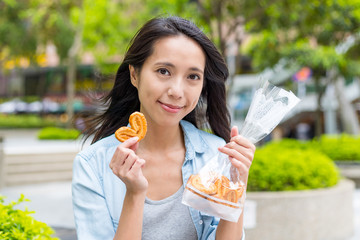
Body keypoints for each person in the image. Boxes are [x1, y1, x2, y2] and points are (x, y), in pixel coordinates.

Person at [72, 16, 255, 240]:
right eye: (164, 71)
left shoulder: (216, 155)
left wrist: (237, 188)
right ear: (134, 74)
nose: (177, 91)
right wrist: (135, 194)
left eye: (193, 76)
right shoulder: (93, 165)